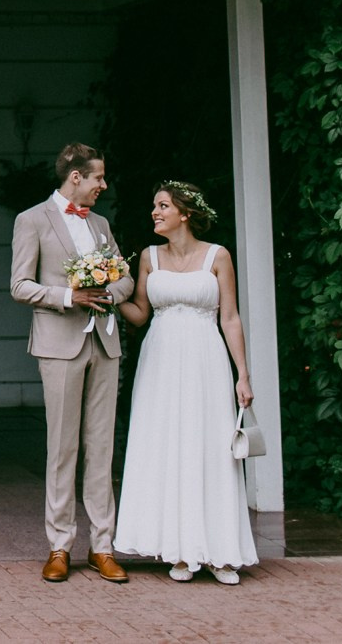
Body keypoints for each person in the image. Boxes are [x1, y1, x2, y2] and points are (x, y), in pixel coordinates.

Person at [112, 181, 260, 583]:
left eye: (162, 206)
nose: (155, 212)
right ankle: (178, 551)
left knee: (210, 448)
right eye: (154, 206)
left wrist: (242, 375)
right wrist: (105, 293)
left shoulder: (218, 256)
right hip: (159, 359)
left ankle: (220, 553)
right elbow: (141, 313)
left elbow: (229, 317)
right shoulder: (148, 257)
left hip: (205, 360)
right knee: (166, 446)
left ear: (185, 213)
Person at [9, 142, 134, 584]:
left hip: (105, 344)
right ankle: (59, 545)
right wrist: (69, 296)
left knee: (102, 448)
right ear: (75, 177)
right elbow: (20, 285)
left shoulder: (100, 223)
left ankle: (103, 546)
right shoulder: (32, 220)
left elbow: (127, 278)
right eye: (98, 177)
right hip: (59, 344)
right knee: (62, 448)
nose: (104, 184)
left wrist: (107, 293)